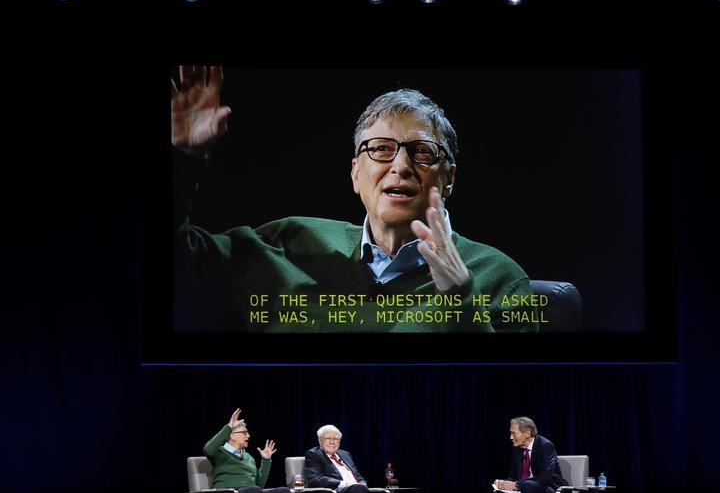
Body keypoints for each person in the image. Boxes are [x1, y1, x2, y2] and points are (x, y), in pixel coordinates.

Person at [172, 65, 536, 332]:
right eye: (380, 149)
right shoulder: (288, 243)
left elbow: (507, 393)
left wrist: (461, 297)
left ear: (449, 177)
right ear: (355, 174)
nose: (401, 166)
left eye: (423, 152)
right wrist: (181, 160)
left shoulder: (501, 277)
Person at [203, 408, 295, 493]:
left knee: (284, 492)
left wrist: (266, 460)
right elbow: (208, 449)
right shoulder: (219, 452)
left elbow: (259, 485)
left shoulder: (248, 457)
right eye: (244, 433)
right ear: (232, 436)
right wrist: (229, 427)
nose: (248, 435)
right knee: (254, 491)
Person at [494, 416, 578, 493]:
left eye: (513, 433)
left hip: (550, 489)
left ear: (527, 433)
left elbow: (545, 477)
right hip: (525, 488)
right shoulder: (518, 450)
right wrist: (503, 483)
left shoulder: (545, 446)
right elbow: (513, 475)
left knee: (528, 486)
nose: (511, 437)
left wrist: (516, 485)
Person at [303, 424, 387, 493]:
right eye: (328, 438)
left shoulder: (345, 454)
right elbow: (315, 479)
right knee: (358, 488)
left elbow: (357, 476)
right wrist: (343, 483)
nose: (332, 442)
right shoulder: (314, 454)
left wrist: (363, 484)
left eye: (335, 439)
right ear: (320, 440)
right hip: (332, 492)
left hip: (356, 491)